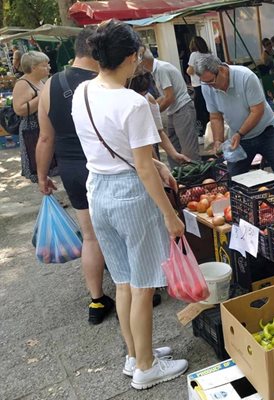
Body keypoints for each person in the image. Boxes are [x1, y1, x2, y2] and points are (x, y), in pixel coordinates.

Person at [71, 19, 188, 390]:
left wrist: (156, 165)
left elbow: (116, 148)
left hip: (97, 192)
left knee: (122, 281)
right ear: (133, 56)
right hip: (130, 196)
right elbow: (140, 166)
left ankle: (135, 355)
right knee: (141, 286)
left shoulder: (83, 92)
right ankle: (147, 368)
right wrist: (170, 216)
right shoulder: (133, 102)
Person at [35, 27, 119, 325]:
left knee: (91, 237)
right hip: (107, 167)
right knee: (121, 232)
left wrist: (42, 176)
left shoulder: (50, 85)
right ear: (99, 52)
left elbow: (45, 139)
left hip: (71, 169)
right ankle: (134, 292)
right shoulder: (106, 82)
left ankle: (97, 302)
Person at [194, 54, 274, 178]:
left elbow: (257, 111)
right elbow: (216, 117)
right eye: (205, 83)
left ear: (221, 70)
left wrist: (240, 133)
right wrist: (218, 141)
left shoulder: (246, 77)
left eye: (211, 81)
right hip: (239, 139)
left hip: (266, 132)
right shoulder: (207, 87)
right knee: (233, 177)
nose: (210, 86)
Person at [138, 48, 199, 167]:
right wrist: (153, 106)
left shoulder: (161, 69)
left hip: (182, 108)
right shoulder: (155, 70)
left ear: (142, 62)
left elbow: (170, 97)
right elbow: (164, 96)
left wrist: (154, 112)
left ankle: (195, 178)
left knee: (188, 149)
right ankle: (178, 177)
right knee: (173, 146)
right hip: (174, 110)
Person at [128, 70, 192, 164]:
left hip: (145, 149)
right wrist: (157, 165)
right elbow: (142, 141)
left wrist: (174, 154)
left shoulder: (150, 100)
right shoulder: (126, 103)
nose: (141, 98)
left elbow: (158, 131)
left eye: (144, 93)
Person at [13, 51, 54, 183]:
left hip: (44, 127)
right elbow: (19, 109)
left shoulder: (41, 81)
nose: (49, 67)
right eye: (44, 65)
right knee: (38, 165)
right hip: (32, 129)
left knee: (50, 164)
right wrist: (42, 95)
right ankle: (47, 196)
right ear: (33, 67)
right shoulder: (23, 84)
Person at [186, 36, 212, 132]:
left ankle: (201, 132)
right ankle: (211, 130)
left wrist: (187, 70)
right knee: (209, 108)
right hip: (209, 84)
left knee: (199, 110)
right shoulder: (208, 55)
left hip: (198, 85)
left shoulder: (194, 55)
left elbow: (191, 70)